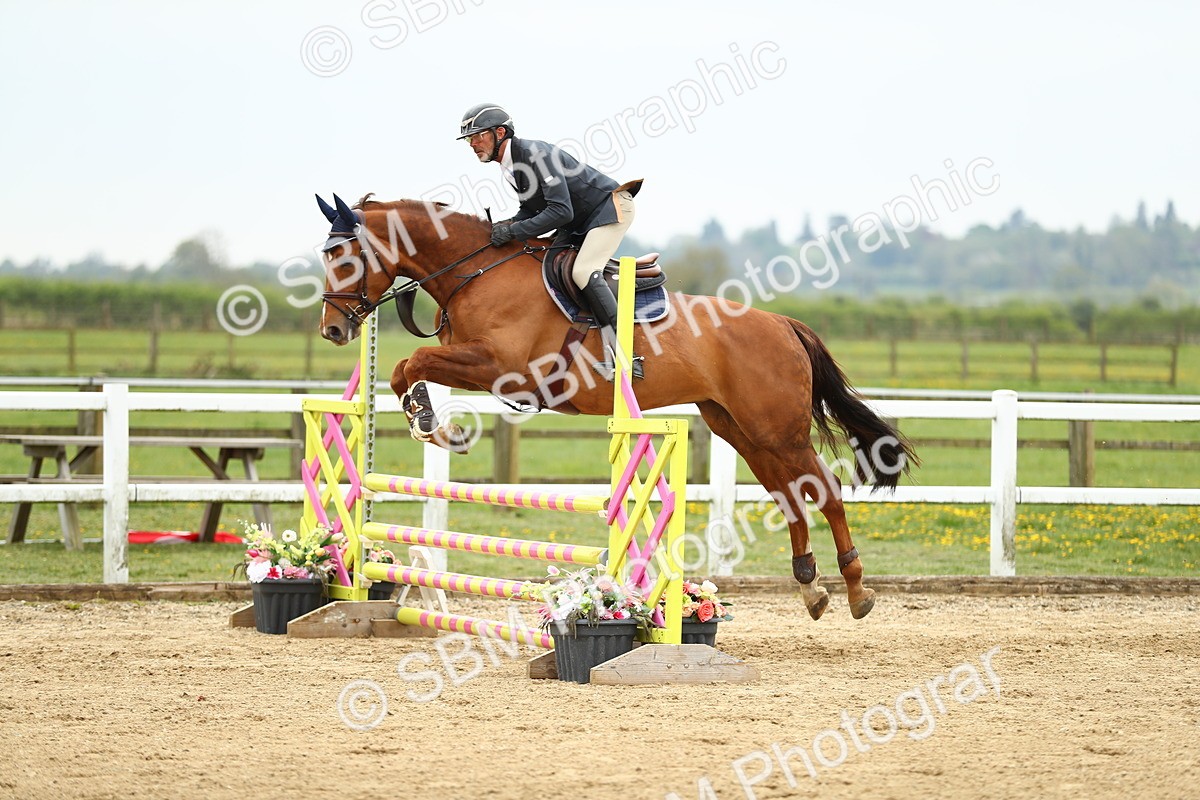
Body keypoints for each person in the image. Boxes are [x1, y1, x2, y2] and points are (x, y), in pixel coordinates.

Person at [457, 102, 642, 378]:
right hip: (578, 220)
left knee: (582, 271)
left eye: (477, 135)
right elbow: (531, 211)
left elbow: (560, 210)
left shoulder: (535, 154)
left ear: (499, 133)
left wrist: (513, 232)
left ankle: (628, 357)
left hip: (609, 209)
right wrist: (502, 227)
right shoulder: (510, 166)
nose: (472, 144)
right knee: (543, 267)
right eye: (469, 139)